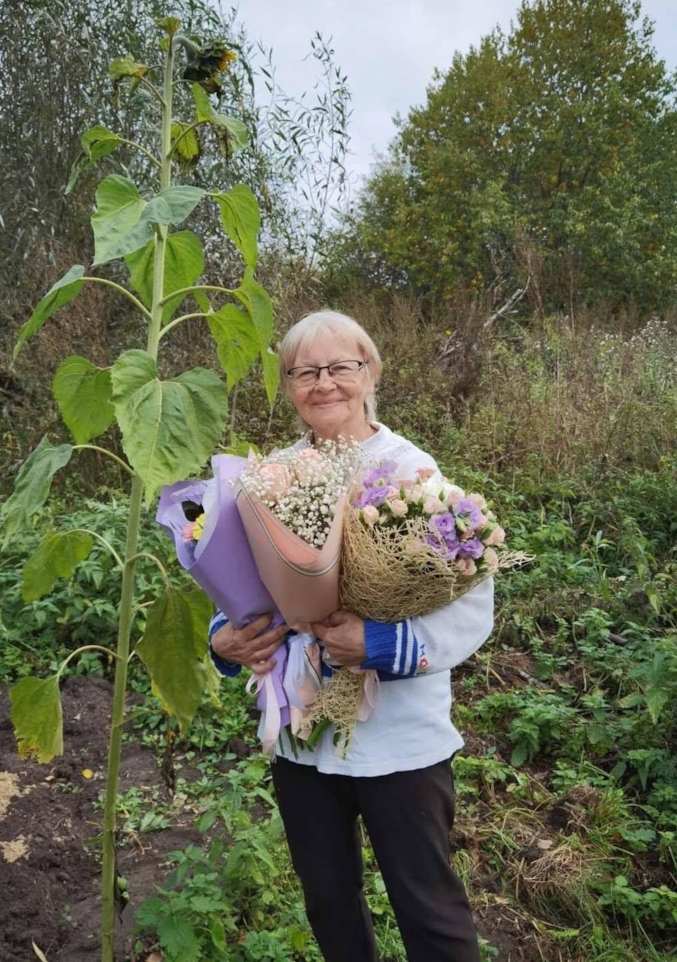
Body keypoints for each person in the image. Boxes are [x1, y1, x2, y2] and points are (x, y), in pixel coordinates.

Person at [209, 310, 493, 962]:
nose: (324, 383)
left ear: (370, 374)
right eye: (304, 371)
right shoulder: (268, 478)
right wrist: (226, 640)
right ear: (287, 387)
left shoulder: (412, 473)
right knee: (329, 901)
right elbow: (237, 584)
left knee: (429, 909)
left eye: (341, 366)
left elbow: (472, 598)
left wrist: (382, 644)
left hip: (399, 737)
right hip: (302, 738)